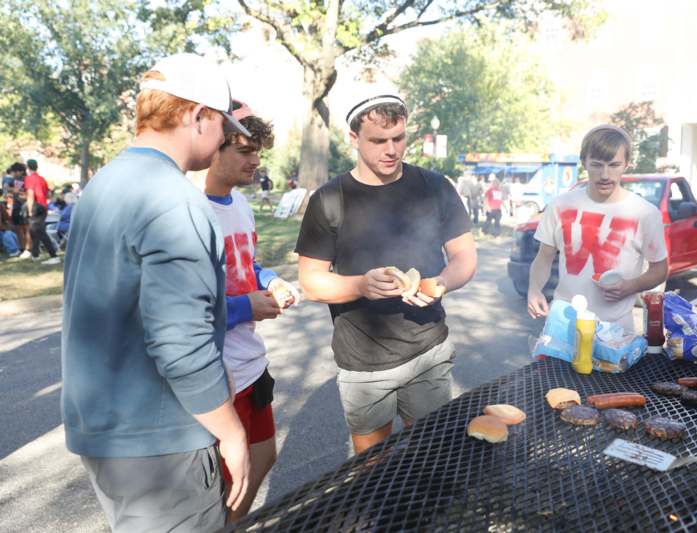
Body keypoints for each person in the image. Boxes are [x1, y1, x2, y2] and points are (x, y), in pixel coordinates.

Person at [61, 53, 254, 533]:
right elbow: (179, 341)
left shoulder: (104, 183)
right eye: (221, 126)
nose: (224, 140)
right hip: (160, 443)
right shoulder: (175, 200)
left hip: (104, 428)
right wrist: (231, 434)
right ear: (196, 117)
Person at [295, 92, 477, 454]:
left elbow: (464, 257)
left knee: (433, 455)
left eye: (399, 138)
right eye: (379, 141)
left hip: (429, 351)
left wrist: (441, 282)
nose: (391, 150)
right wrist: (360, 285)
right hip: (364, 365)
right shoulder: (329, 200)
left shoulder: (434, 187)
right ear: (354, 139)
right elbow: (311, 281)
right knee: (372, 467)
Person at [204, 101, 300, 522]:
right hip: (215, 373)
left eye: (258, 151)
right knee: (224, 478)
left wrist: (271, 280)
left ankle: (230, 527)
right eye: (245, 151)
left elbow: (247, 265)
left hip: (250, 364)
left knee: (263, 457)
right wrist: (246, 307)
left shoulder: (240, 205)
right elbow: (178, 308)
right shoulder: (191, 210)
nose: (256, 161)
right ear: (213, 148)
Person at [527, 124, 668, 332]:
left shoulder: (645, 213)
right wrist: (534, 289)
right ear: (584, 162)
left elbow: (660, 270)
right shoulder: (559, 206)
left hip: (617, 330)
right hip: (564, 326)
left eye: (614, 165)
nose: (605, 174)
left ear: (627, 164)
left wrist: (630, 286)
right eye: (596, 164)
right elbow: (544, 256)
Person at [23, 159, 59, 264]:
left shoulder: (29, 178)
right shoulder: (42, 179)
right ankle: (35, 255)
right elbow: (48, 195)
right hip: (43, 206)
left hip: (35, 206)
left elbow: (30, 194)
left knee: (40, 232)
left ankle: (54, 256)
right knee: (34, 231)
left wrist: (29, 210)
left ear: (28, 167)